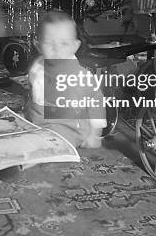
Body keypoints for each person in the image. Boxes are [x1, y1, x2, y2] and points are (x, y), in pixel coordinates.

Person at [25, 10, 107, 148]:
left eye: (64, 43)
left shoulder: (81, 76)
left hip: (69, 125)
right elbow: (34, 93)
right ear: (38, 45)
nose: (56, 49)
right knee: (18, 129)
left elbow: (96, 104)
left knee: (50, 144)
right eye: (49, 43)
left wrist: (95, 134)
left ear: (75, 46)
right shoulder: (37, 67)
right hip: (38, 118)